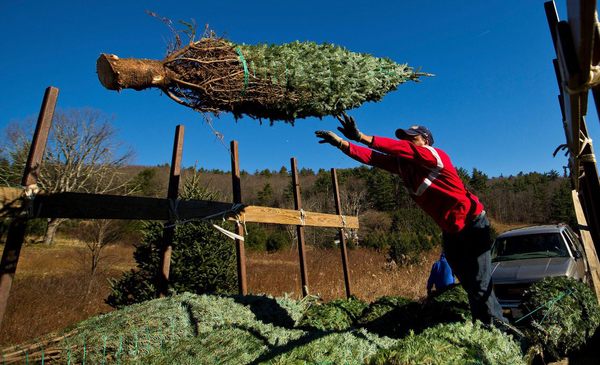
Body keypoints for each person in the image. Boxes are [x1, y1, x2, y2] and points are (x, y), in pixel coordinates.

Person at [315, 112, 507, 325]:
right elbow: (373, 158)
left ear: (425, 140)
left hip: (472, 225)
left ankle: (497, 328)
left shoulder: (435, 156)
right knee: (470, 283)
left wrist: (361, 136)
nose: (406, 141)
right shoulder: (404, 167)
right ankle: (484, 322)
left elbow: (402, 149)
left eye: (412, 137)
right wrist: (342, 143)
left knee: (480, 282)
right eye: (404, 138)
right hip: (451, 231)